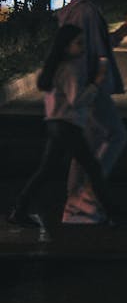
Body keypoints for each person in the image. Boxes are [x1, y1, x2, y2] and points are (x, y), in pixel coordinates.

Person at [7, 25, 116, 227]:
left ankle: (19, 210)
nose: (82, 47)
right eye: (78, 43)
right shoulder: (69, 69)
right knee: (92, 168)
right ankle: (112, 214)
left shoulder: (55, 67)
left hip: (55, 124)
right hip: (67, 126)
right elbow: (78, 100)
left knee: (46, 170)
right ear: (66, 46)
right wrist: (97, 82)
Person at [57, 0, 127, 224]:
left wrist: (118, 35)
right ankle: (86, 196)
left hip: (82, 87)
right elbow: (86, 50)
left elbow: (91, 43)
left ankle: (73, 204)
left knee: (86, 145)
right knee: (116, 135)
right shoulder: (86, 11)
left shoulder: (78, 9)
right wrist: (95, 81)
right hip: (91, 86)